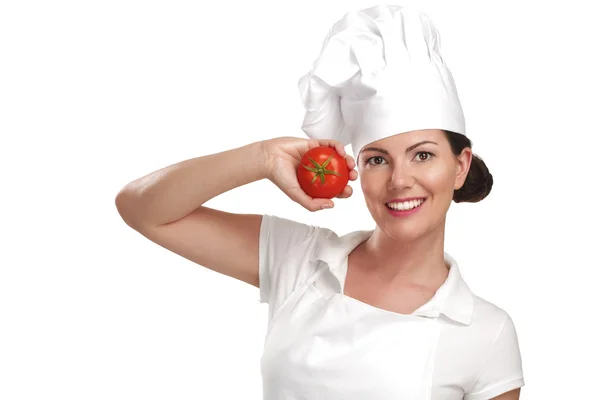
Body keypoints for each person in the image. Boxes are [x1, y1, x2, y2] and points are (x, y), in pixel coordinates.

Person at [115, 4, 525, 400]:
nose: (400, 181)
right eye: (377, 159)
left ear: (459, 165)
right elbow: (142, 208)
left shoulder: (486, 333)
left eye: (423, 155)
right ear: (357, 170)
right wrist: (261, 158)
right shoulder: (299, 259)